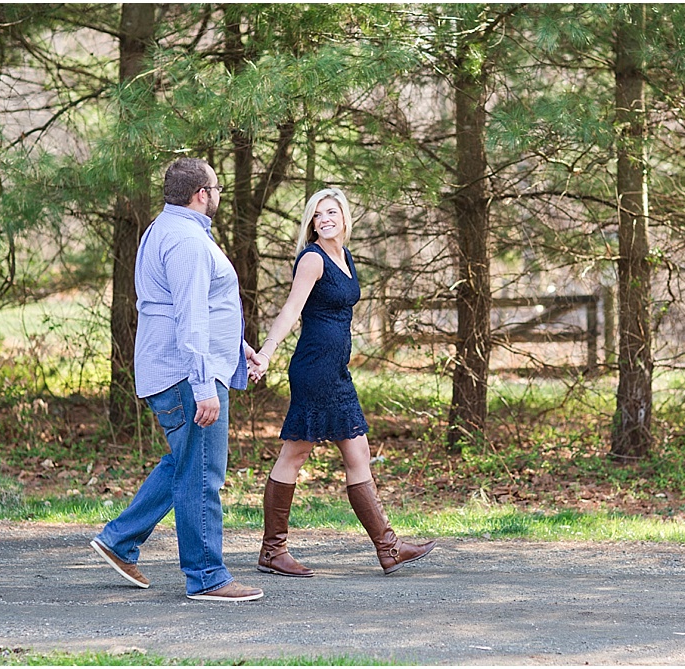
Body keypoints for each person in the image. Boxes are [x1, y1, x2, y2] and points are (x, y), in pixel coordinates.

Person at [90, 157, 264, 602]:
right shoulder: (187, 241)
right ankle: (207, 575)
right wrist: (204, 384)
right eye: (217, 187)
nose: (220, 194)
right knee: (202, 472)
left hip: (178, 366)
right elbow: (189, 315)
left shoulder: (163, 229)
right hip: (188, 375)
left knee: (184, 463)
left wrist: (234, 347)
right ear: (201, 194)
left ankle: (119, 540)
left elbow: (195, 309)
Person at [248, 188, 435, 577]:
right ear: (312, 223)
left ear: (345, 217)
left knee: (358, 452)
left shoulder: (343, 256)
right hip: (314, 370)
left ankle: (389, 548)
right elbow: (291, 310)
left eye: (331, 212)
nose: (325, 219)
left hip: (336, 371)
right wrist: (266, 352)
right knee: (296, 453)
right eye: (318, 215)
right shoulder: (313, 259)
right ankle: (272, 550)